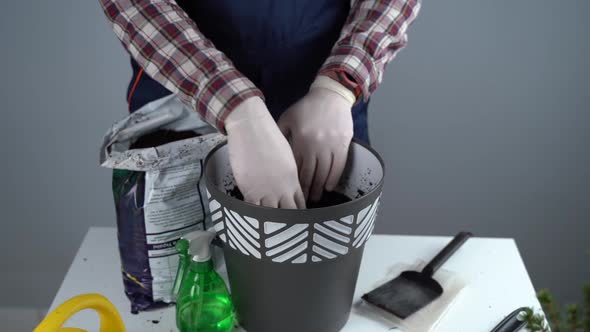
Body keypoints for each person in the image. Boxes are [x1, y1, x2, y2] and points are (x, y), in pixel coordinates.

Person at [99, 0, 420, 209]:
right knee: (189, 284)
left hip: (323, 113)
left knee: (318, 288)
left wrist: (338, 86)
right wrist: (238, 112)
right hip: (186, 111)